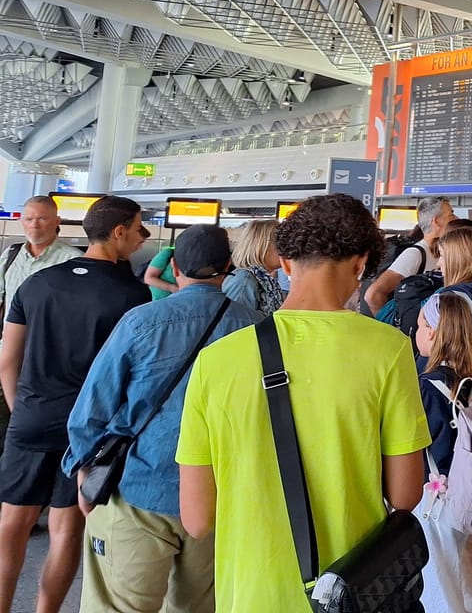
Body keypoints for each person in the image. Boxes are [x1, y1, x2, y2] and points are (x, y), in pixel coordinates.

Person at [176, 194, 430, 611]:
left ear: (287, 264)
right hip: (349, 592)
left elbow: (198, 519)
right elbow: (405, 495)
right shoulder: (388, 350)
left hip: (250, 593)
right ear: (361, 264)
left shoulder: (215, 361)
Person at [63, 225, 260, 613]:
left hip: (138, 488)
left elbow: (93, 406)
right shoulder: (258, 328)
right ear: (229, 266)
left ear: (173, 265)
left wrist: (83, 469)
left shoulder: (141, 322)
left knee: (118, 606)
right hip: (217, 496)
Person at [0, 196, 152, 613]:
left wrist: (22, 410)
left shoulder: (38, 283)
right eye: (140, 227)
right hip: (88, 430)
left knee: (11, 524)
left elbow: (8, 359)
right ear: (119, 231)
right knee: (66, 528)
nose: (144, 236)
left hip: (31, 416)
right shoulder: (132, 294)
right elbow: (129, 372)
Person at [414, 293, 472, 612]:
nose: (417, 330)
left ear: (433, 331)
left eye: (420, 325)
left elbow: (426, 448)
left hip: (439, 503)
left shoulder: (426, 387)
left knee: (446, 584)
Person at [0, 196, 81, 457]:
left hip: (45, 362)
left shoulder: (72, 261)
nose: (35, 224)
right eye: (29, 218)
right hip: (8, 354)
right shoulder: (11, 256)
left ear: (57, 221)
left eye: (42, 218)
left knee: (29, 433)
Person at [362, 195, 452, 314]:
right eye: (451, 214)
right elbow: (373, 294)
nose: (455, 218)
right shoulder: (415, 254)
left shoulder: (438, 253)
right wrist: (391, 327)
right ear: (436, 221)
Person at [222, 219, 285, 317]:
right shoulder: (244, 280)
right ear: (262, 246)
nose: (285, 249)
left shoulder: (264, 279)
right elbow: (236, 324)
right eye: (280, 244)